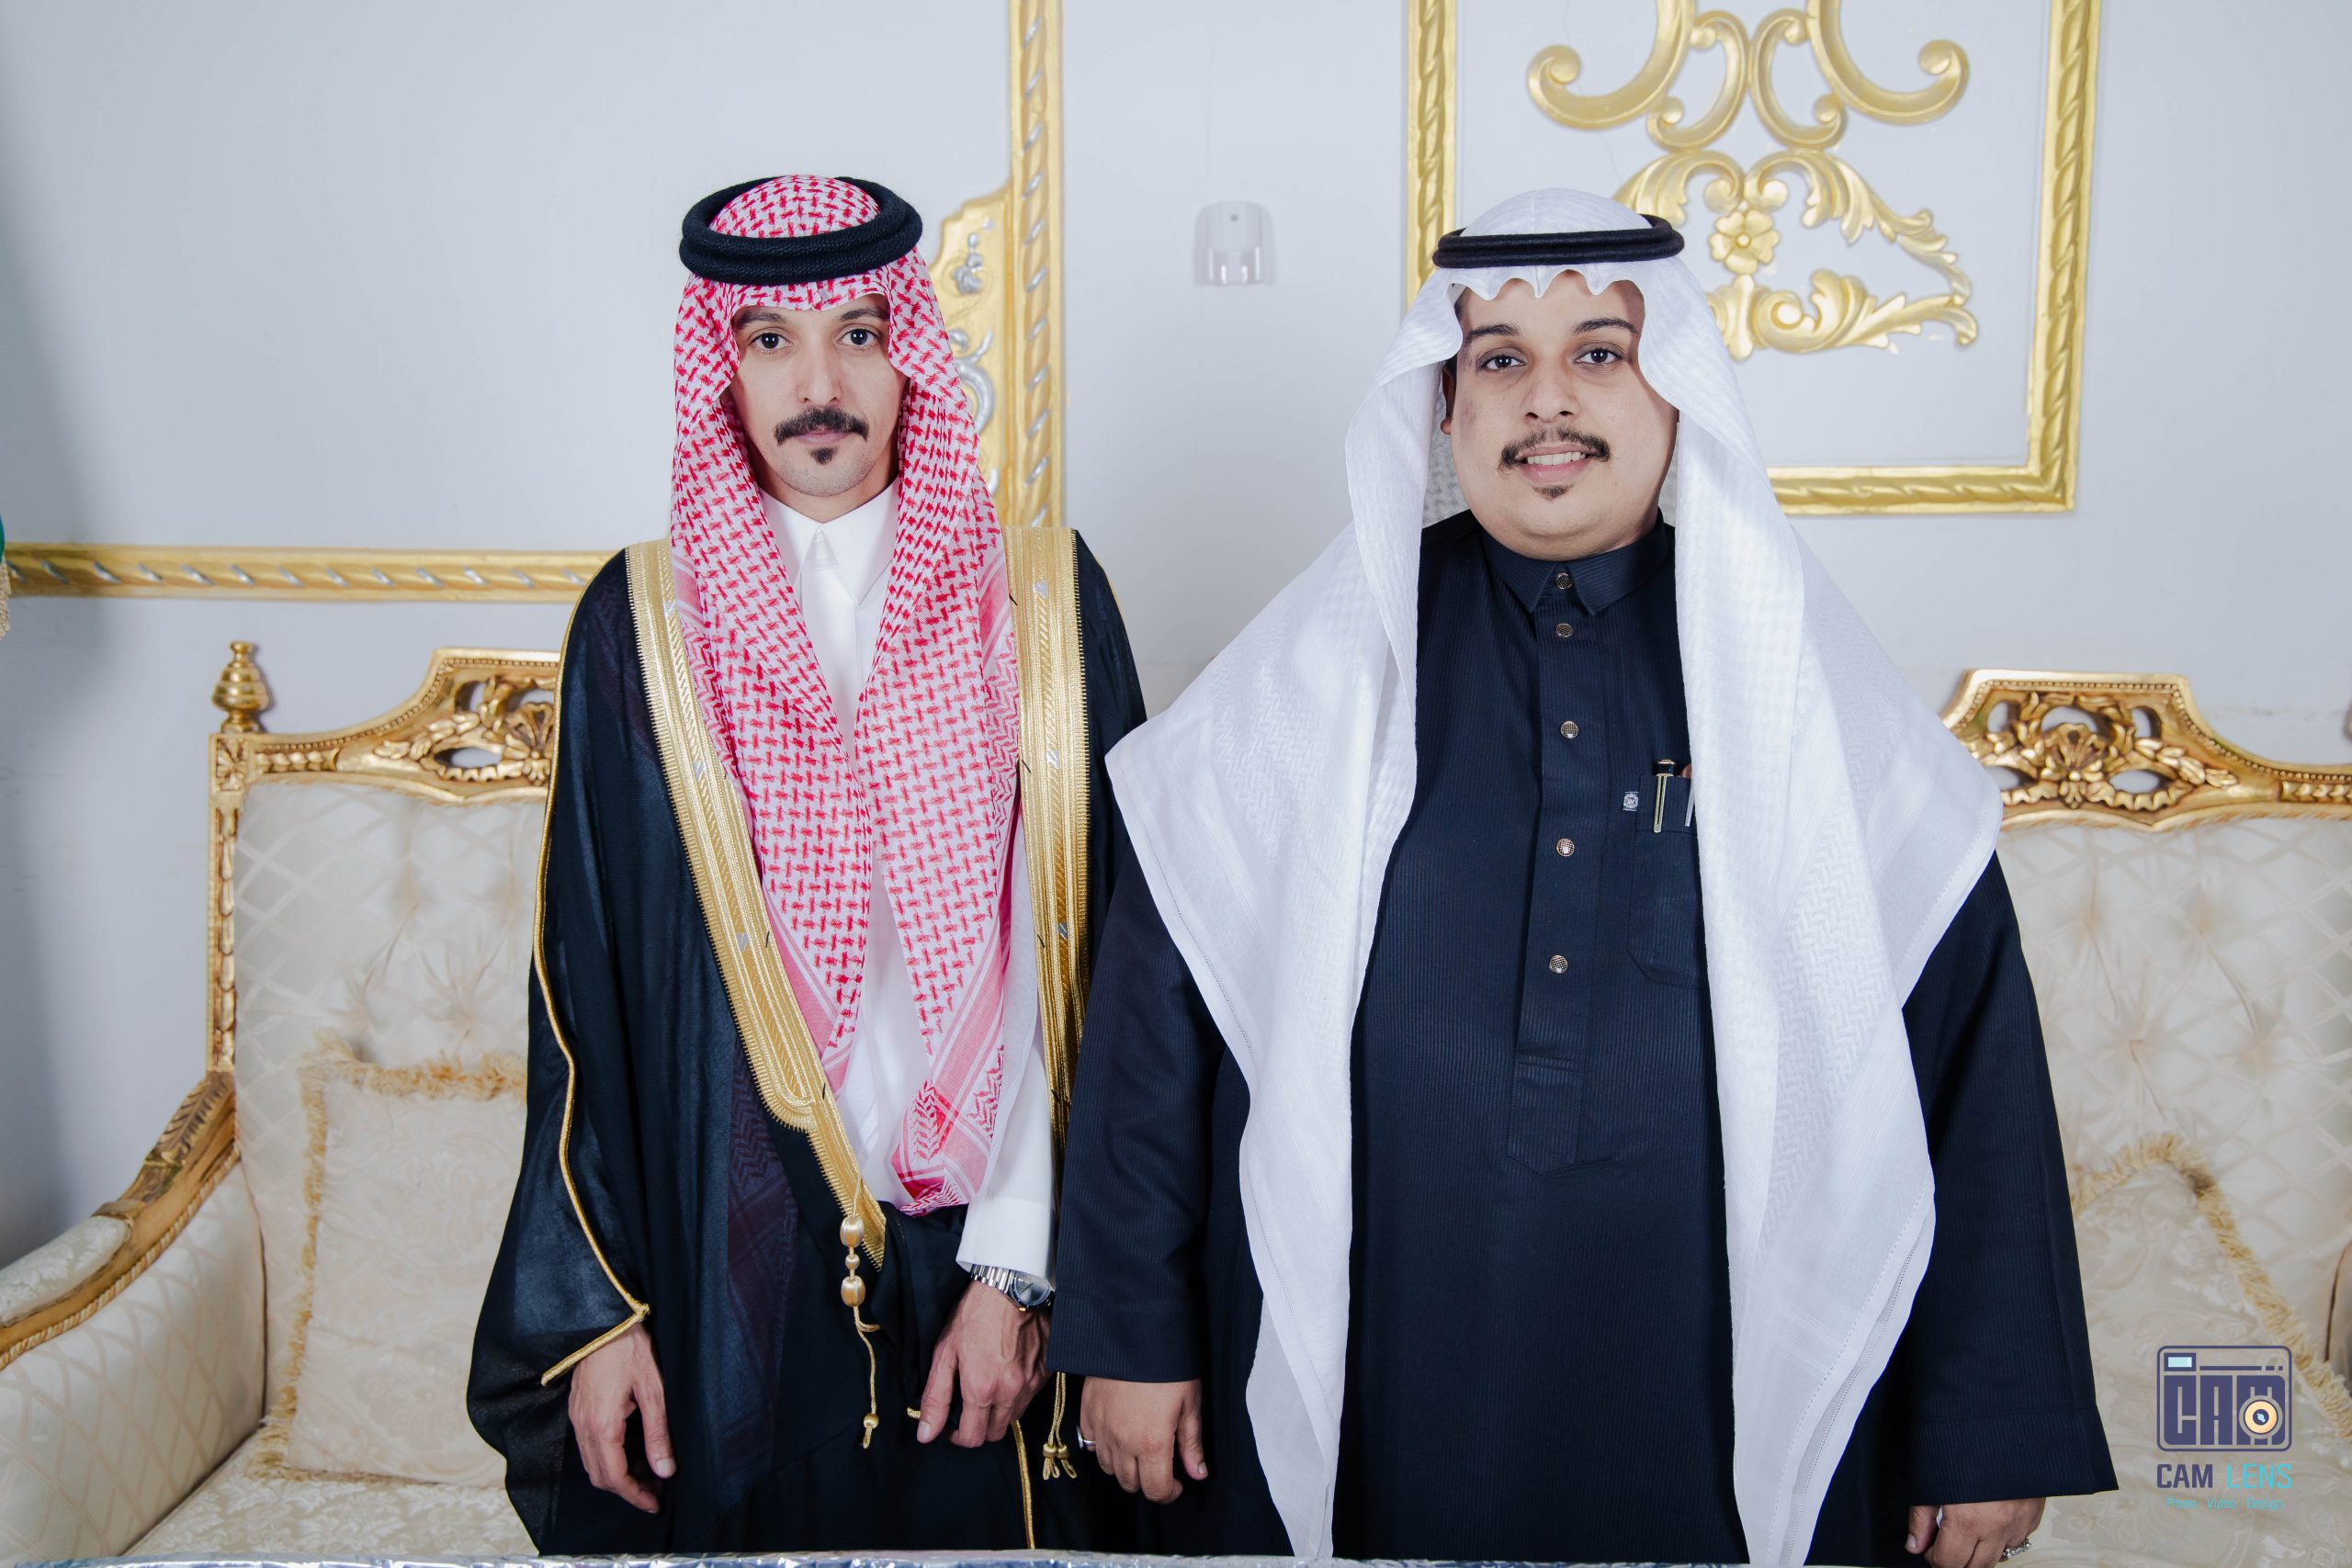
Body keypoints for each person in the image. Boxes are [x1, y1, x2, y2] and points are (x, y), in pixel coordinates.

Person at [1046, 189, 2117, 1568]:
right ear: (1444, 408)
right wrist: (1133, 1334)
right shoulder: (1317, 673)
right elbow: (1157, 1030)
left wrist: (1990, 1429)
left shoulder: (1801, 685)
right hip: (1385, 1369)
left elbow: (1969, 1076)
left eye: (1599, 353)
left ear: (1677, 390)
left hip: (1709, 1379)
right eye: (1499, 359)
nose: (1546, 400)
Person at [469, 175, 1145, 1553]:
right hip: (734, 1263)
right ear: (720, 365)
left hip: (993, 1258)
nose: (819, 385)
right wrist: (603, 1314)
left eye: (858, 334)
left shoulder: (1042, 603)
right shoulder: (642, 627)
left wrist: (1021, 1271)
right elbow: (581, 996)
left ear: (912, 356)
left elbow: (1110, 966)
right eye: (770, 340)